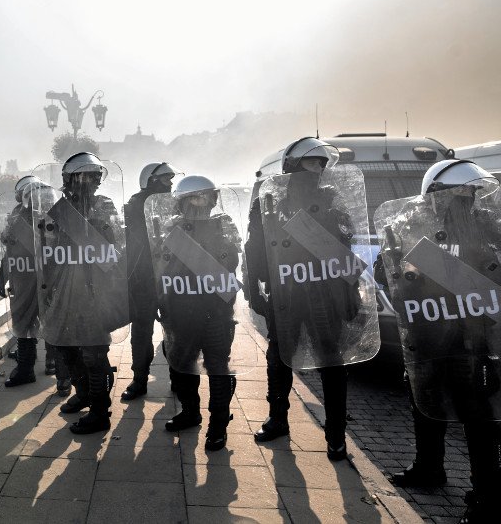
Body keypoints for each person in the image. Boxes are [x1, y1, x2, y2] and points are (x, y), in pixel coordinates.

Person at [374, 159, 501, 523]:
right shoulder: (412, 227)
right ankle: (429, 468)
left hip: (471, 340)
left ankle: (486, 499)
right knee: (425, 400)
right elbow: (390, 276)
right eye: (458, 191)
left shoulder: (487, 229)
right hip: (429, 335)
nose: (464, 197)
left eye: (469, 192)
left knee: (478, 417)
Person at [245, 137, 376, 461]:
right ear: (292, 166)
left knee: (331, 361)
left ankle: (335, 436)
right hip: (287, 291)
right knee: (279, 358)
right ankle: (278, 419)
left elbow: (347, 241)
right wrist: (256, 287)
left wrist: (349, 287)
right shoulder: (270, 200)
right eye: (310, 163)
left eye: (321, 164)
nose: (317, 169)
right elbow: (255, 246)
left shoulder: (332, 198)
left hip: (322, 292)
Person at [35, 152, 128, 434]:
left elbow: (118, 247)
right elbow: (48, 251)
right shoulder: (58, 210)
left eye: (95, 177)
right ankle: (84, 392)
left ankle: (100, 413)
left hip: (94, 291)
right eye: (85, 177)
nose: (92, 182)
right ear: (70, 179)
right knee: (64, 347)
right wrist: (47, 287)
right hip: (65, 290)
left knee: (94, 353)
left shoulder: (106, 207)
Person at [149, 175, 242, 450]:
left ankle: (218, 426)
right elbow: (160, 266)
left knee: (218, 368)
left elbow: (233, 260)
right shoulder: (170, 230)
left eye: (205, 197)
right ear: (181, 203)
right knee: (180, 364)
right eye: (193, 198)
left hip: (216, 312)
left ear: (213, 200)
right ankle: (190, 412)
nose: (200, 204)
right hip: (181, 311)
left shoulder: (224, 227)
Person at [0, 176, 70, 395]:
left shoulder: (31, 219)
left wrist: (2, 276)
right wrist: (2, 276)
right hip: (34, 277)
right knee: (38, 322)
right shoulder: (32, 219)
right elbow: (10, 250)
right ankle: (44, 365)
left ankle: (34, 367)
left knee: (32, 323)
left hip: (35, 278)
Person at [121, 162, 178, 400]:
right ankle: (139, 379)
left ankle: (179, 377)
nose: (171, 184)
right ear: (152, 182)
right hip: (143, 278)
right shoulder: (134, 207)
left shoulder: (177, 205)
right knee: (142, 332)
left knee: (175, 331)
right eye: (166, 179)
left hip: (171, 277)